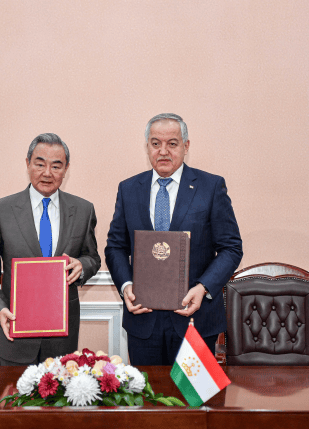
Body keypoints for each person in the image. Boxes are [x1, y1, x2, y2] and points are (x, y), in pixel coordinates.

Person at [104, 113, 242, 366]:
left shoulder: (210, 187)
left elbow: (231, 248)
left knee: (194, 392)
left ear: (186, 146)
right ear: (147, 146)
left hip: (195, 319)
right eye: (156, 143)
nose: (163, 151)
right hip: (143, 321)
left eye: (172, 143)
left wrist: (203, 288)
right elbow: (116, 246)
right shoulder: (129, 189)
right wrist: (126, 286)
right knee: (146, 391)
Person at [0, 133, 101, 366]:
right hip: (16, 333)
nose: (47, 173)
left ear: (66, 169)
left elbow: (92, 257)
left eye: (56, 166)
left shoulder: (83, 210)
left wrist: (82, 266)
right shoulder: (1, 210)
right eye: (40, 164)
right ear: (28, 164)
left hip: (62, 339)